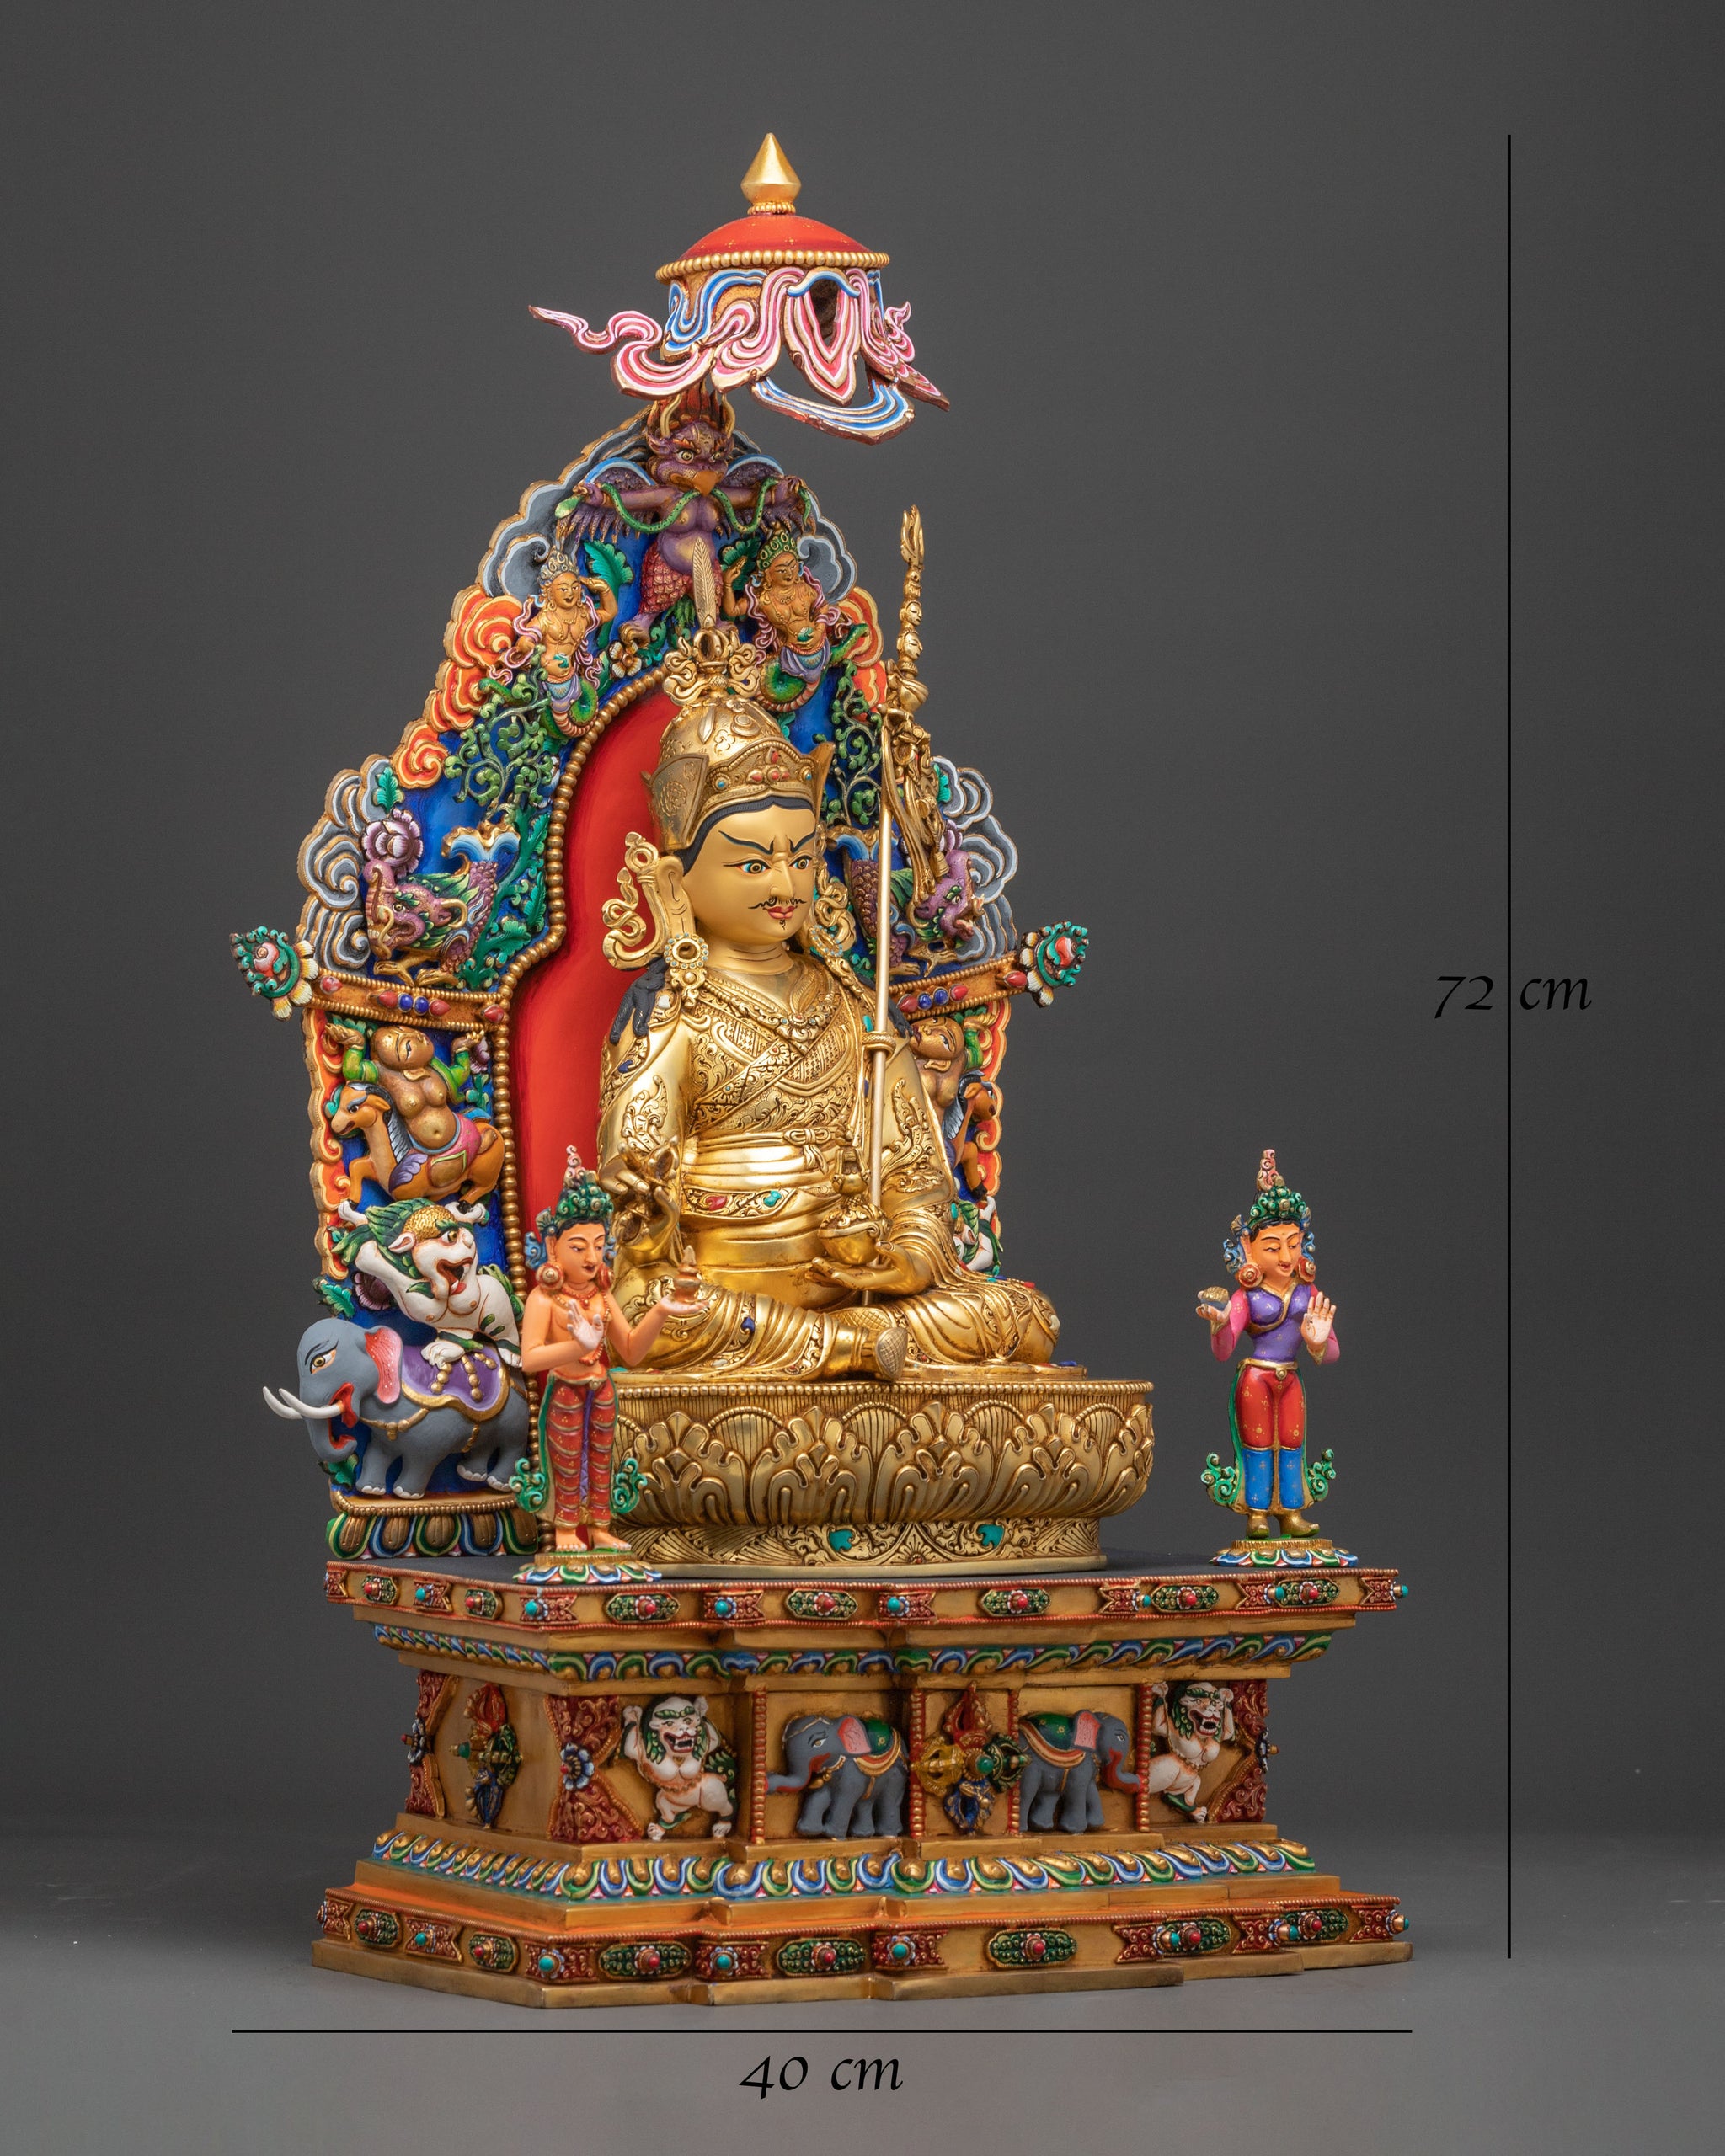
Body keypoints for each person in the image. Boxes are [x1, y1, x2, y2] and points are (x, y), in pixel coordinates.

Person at [595, 571, 1058, 1380]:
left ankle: (856, 1344)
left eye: (801, 858)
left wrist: (907, 1256)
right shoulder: (669, 1018)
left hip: (857, 1289)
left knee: (1022, 1319)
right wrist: (649, 1210)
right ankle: (850, 1352)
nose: (784, 885)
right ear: (675, 884)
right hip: (726, 1302)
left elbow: (916, 1179)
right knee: (646, 1317)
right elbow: (634, 1223)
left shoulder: (850, 1005)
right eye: (752, 863)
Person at [519, 1149, 706, 1553]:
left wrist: (661, 1311)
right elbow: (530, 1359)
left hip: (601, 1390)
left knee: (601, 1459)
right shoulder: (543, 1299)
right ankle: (566, 1530)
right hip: (566, 1391)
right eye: (578, 1247)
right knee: (567, 1458)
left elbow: (632, 1352)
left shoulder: (602, 1295)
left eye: (599, 1245)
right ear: (553, 1246)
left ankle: (599, 1528)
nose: (591, 1258)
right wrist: (577, 1345)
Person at [1197, 1150, 1338, 1539]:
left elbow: (1332, 1352)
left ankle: (1291, 1512)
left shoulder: (1308, 1294)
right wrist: (1220, 1324)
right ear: (1249, 1249)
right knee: (1257, 1444)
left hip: (1290, 1377)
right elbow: (1224, 1351)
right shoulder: (1247, 1297)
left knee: (1293, 1443)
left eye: (1294, 1244)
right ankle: (1257, 1512)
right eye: (1274, 1247)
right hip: (1256, 1378)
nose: (1287, 1256)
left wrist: (1317, 1344)